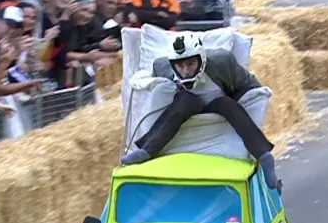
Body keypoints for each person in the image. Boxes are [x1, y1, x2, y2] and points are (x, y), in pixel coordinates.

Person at [120, 31, 280, 190]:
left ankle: (264, 155)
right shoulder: (161, 67)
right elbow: (145, 81)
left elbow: (248, 83)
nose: (186, 71)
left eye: (190, 64)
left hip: (217, 104)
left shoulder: (222, 62)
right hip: (188, 105)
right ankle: (147, 150)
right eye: (180, 66)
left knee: (227, 104)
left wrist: (252, 99)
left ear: (201, 58)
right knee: (185, 100)